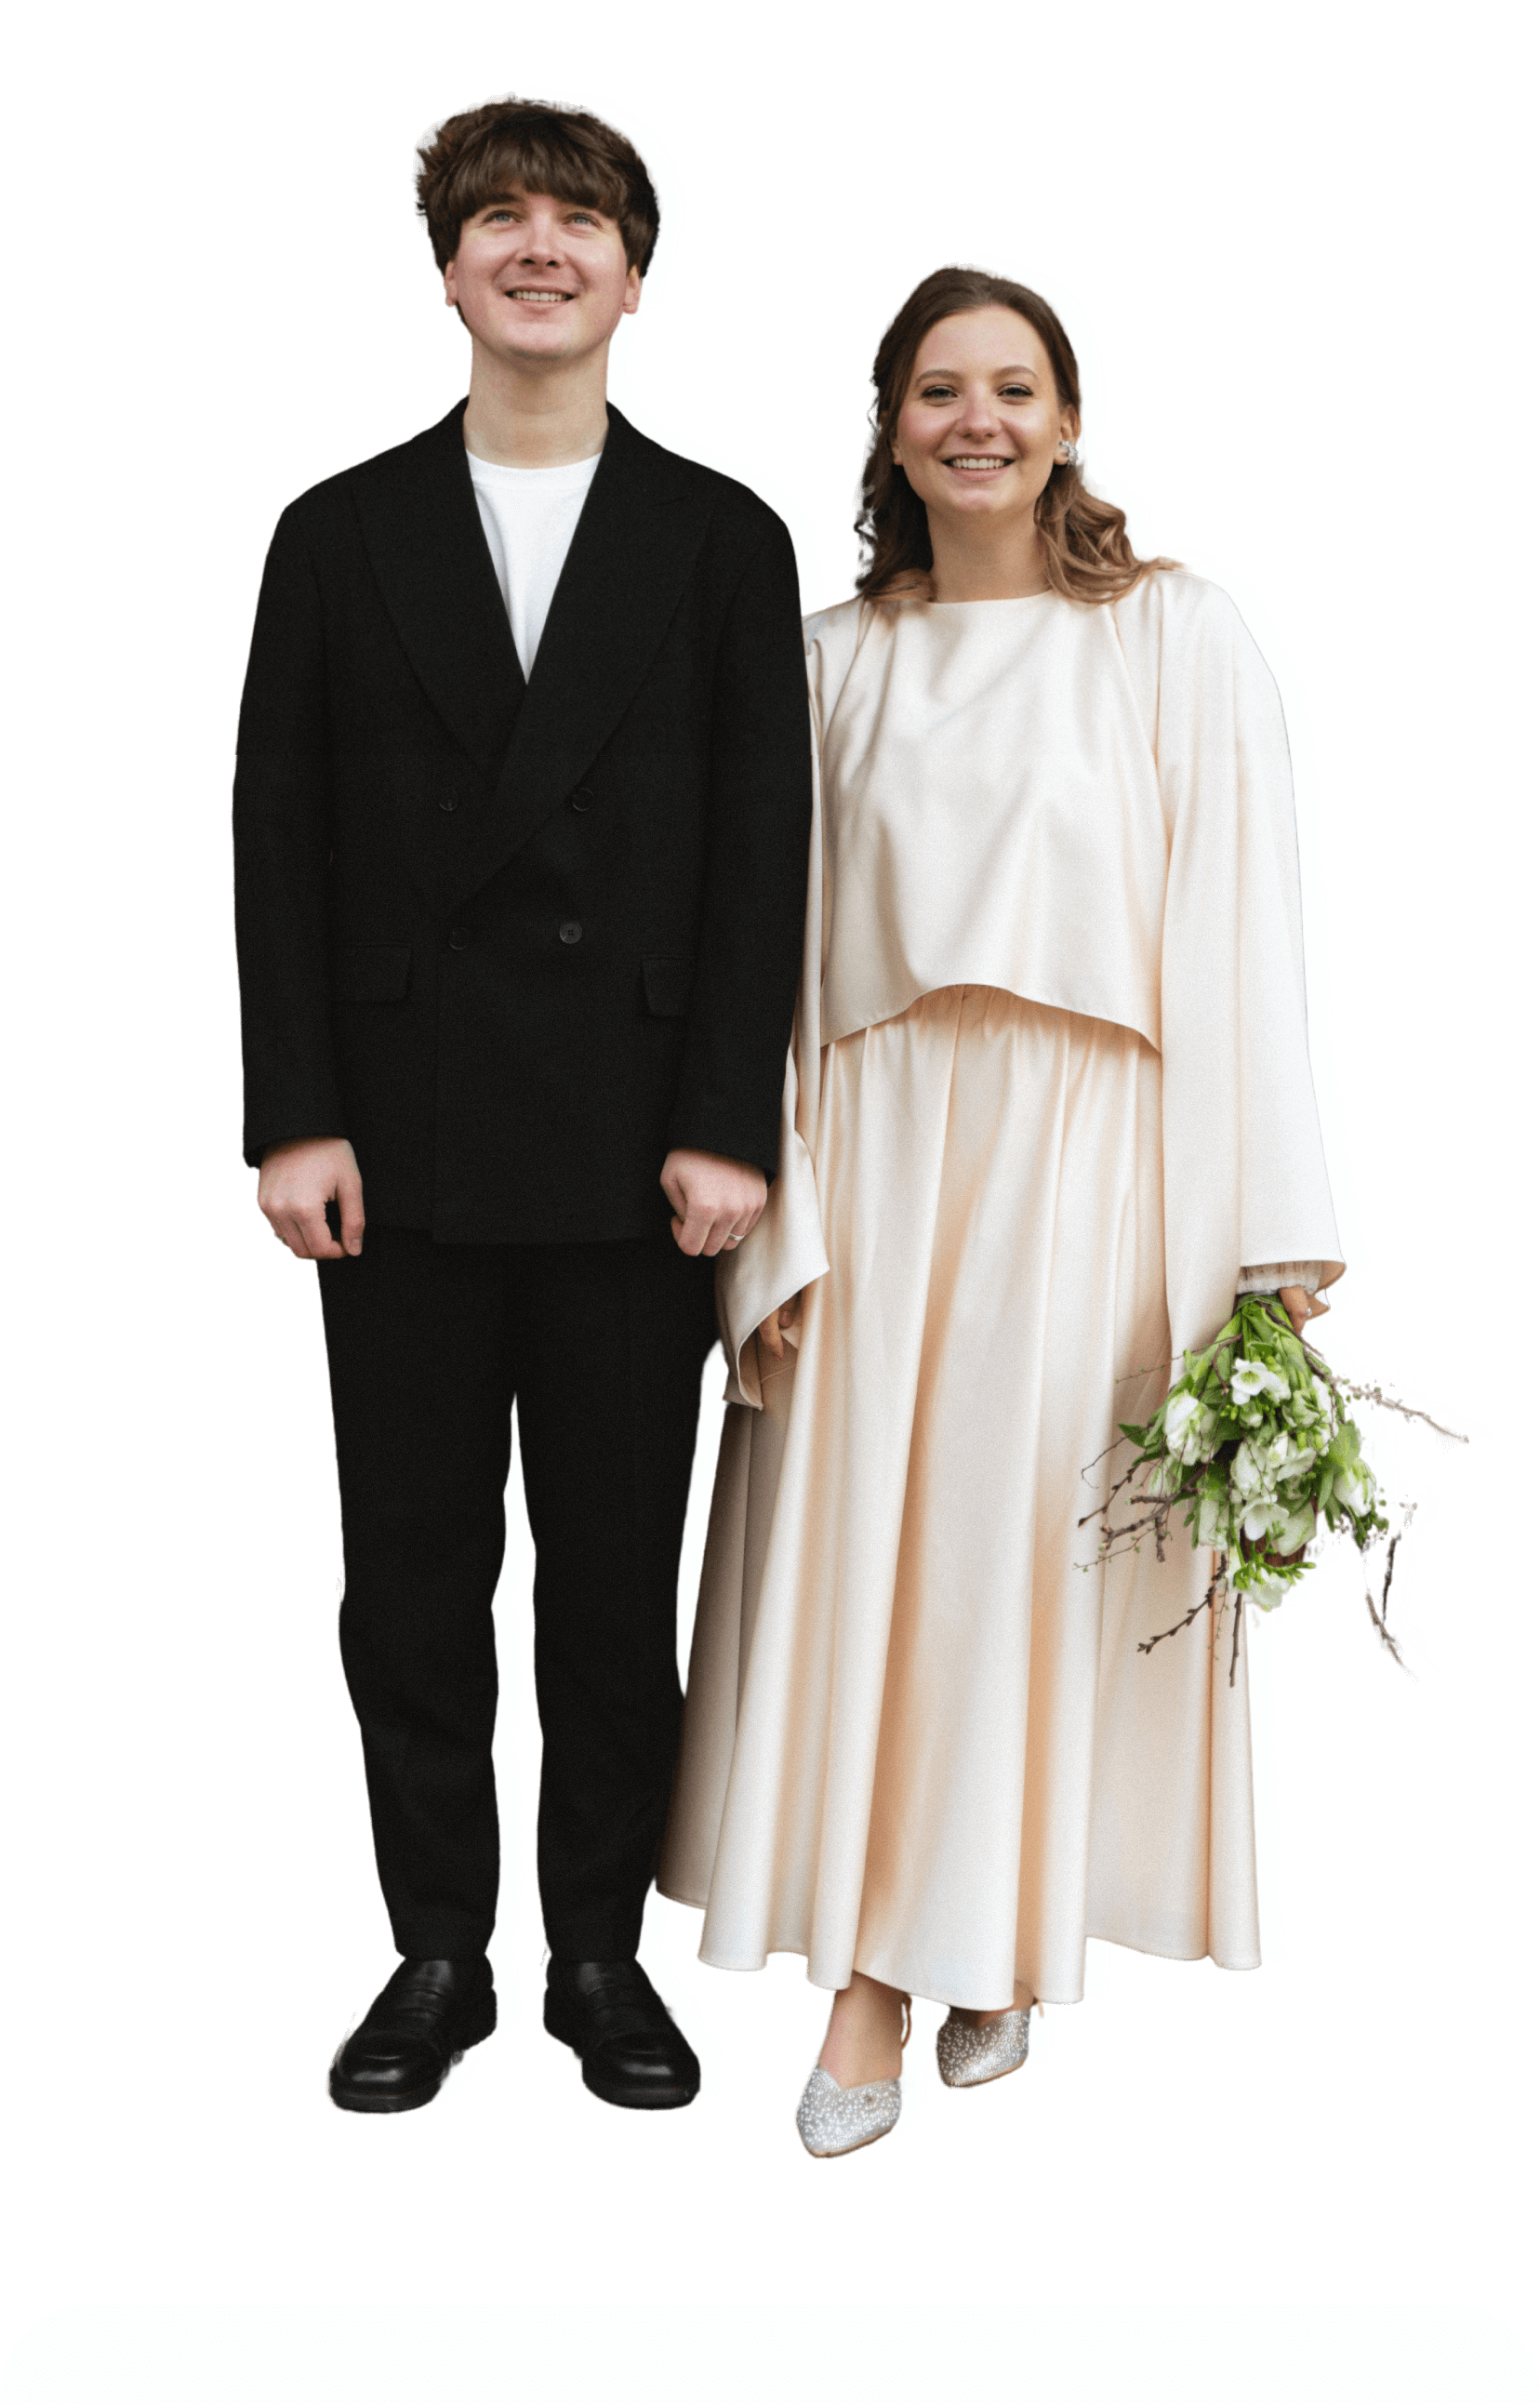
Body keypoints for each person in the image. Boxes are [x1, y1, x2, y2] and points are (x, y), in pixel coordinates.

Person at [656, 264, 1354, 2159]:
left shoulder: (1185, 629)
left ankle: (905, 1976)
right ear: (892, 429)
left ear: (1072, 419)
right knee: (876, 1566)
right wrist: (771, 1211)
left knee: (1013, 1563)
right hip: (880, 1151)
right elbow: (758, 958)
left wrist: (1271, 1239)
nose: (979, 419)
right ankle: (954, 1959)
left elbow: (1261, 931)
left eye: (1017, 387)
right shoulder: (832, 660)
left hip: (1089, 1159)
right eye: (940, 389)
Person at [231, 95, 812, 2117]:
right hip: (391, 1137)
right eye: (500, 217)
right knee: (405, 1572)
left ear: (641, 273)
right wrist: (292, 1112)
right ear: (448, 268)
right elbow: (273, 833)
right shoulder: (337, 526)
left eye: (579, 218)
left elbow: (766, 853)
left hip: (639, 1144)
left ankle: (595, 1952)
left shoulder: (728, 533)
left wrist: (730, 1115)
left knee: (614, 1579)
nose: (537, 246)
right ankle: (430, 1951)